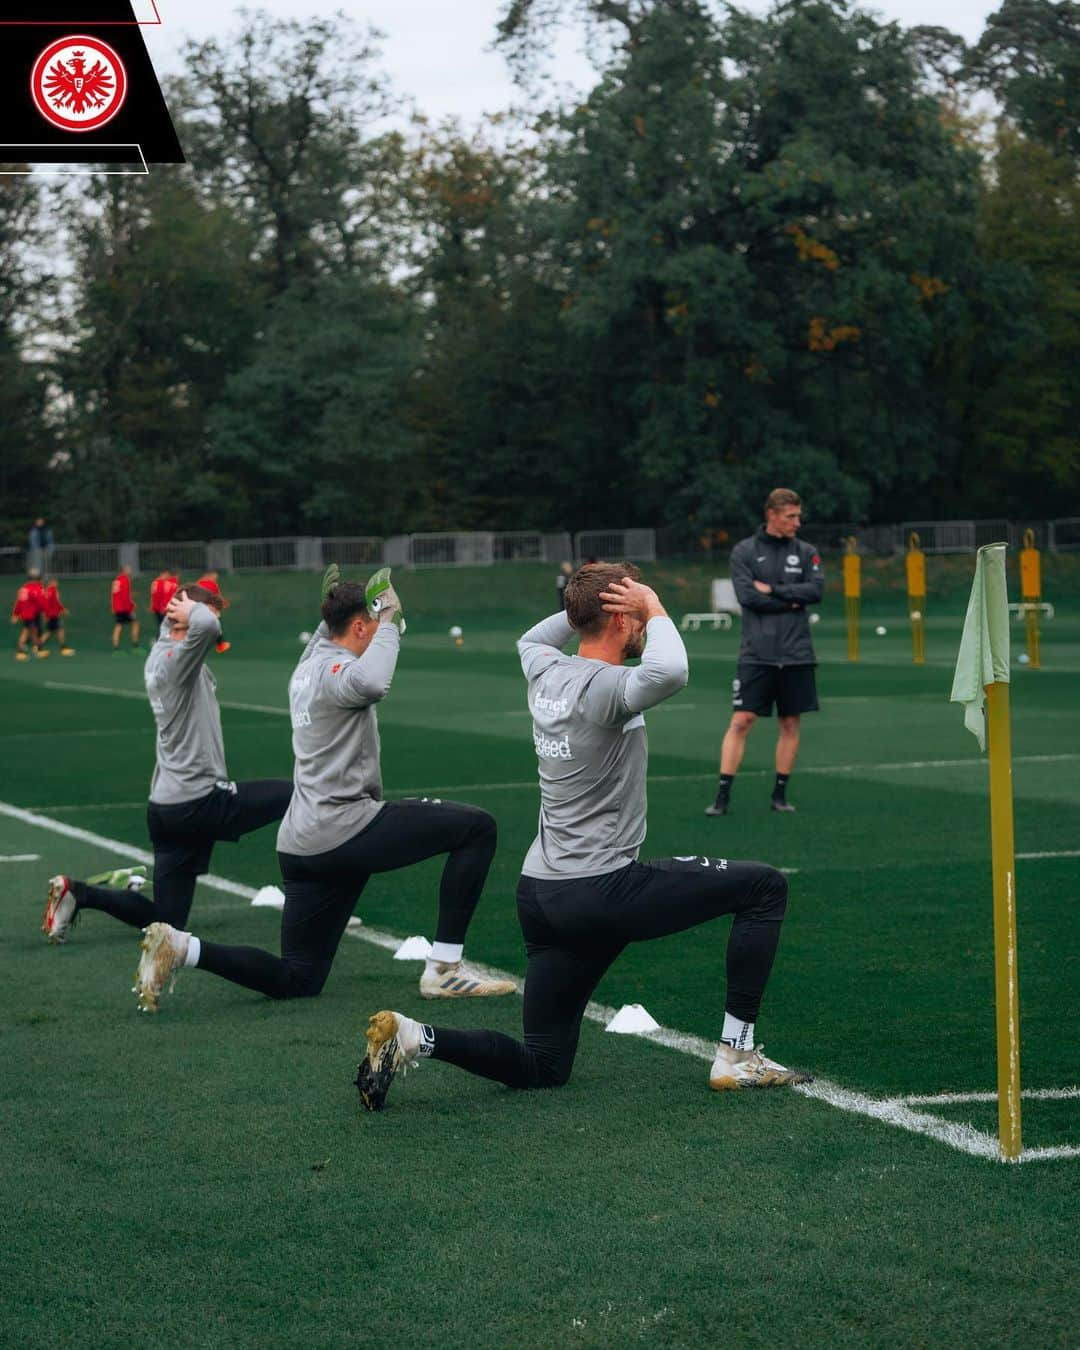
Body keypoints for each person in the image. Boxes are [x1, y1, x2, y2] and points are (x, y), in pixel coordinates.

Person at [355, 563, 811, 1111]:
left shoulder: (544, 667)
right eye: (634, 614)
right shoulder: (608, 687)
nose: (642, 623)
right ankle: (737, 1056)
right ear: (621, 616)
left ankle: (414, 1036)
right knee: (763, 889)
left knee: (544, 1065)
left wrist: (589, 607)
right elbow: (672, 672)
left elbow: (534, 636)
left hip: (541, 893)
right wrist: (653, 604)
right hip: (599, 891)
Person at [129, 566, 515, 1012]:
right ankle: (444, 969)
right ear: (357, 627)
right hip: (344, 829)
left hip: (301, 845)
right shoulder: (337, 671)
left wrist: (335, 603)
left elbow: (327, 634)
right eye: (371, 629)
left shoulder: (308, 663)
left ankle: (184, 949)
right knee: (477, 829)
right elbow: (374, 681)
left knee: (298, 976)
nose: (382, 637)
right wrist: (387, 618)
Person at [41, 583, 293, 945]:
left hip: (166, 809)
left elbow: (202, 627)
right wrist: (192, 611)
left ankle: (80, 893)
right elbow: (207, 627)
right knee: (299, 794)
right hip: (199, 802)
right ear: (186, 619)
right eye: (209, 612)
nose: (217, 622)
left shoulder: (163, 649)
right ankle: (321, 906)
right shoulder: (178, 660)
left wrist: (178, 607)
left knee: (167, 919)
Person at [705, 489, 824, 817]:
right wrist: (792, 599)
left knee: (790, 723)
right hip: (756, 653)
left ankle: (779, 795)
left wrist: (772, 590)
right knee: (741, 720)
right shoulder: (744, 551)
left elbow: (816, 591)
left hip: (797, 652)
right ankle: (722, 797)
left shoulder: (807, 551)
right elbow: (747, 597)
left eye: (798, 516)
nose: (797, 523)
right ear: (772, 514)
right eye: (791, 516)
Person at [11, 570, 46, 661]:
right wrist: (44, 612)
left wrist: (15, 614)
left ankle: (36, 650)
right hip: (31, 615)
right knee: (30, 632)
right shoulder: (34, 588)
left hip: (26, 615)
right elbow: (40, 602)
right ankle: (22, 652)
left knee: (30, 632)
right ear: (36, 579)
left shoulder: (23, 588)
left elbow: (18, 603)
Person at [196, 570, 230, 654]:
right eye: (214, 577)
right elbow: (217, 596)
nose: (215, 578)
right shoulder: (211, 584)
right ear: (209, 576)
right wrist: (224, 603)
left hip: (199, 609)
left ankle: (219, 643)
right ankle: (221, 643)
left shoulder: (197, 584)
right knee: (216, 623)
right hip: (211, 608)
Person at [40, 578, 74, 656]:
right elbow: (56, 602)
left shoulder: (47, 591)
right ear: (51, 583)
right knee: (59, 630)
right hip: (53, 614)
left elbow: (49, 603)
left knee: (50, 632)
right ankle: (63, 648)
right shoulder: (53, 590)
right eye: (55, 582)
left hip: (51, 614)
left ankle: (39, 645)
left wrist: (46, 614)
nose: (57, 583)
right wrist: (63, 610)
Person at [110, 564, 140, 651]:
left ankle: (115, 646)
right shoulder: (125, 579)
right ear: (123, 571)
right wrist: (131, 606)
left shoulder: (116, 580)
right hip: (124, 608)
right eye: (128, 569)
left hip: (117, 607)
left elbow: (115, 595)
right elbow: (125, 596)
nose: (130, 570)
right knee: (135, 624)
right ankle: (135, 645)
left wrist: (113, 607)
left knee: (118, 626)